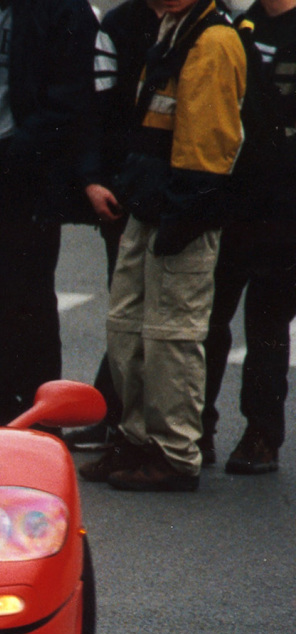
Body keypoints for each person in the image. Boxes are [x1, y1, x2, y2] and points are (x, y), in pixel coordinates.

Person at [80, 0, 246, 491]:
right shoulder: (174, 29)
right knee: (127, 327)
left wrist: (184, 215)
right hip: (150, 205)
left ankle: (174, 454)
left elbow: (210, 146)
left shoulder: (213, 40)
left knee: (173, 336)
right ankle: (135, 439)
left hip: (182, 211)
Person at [0, 0, 97, 427]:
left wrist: (15, 153)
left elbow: (69, 102)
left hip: (25, 182)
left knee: (26, 305)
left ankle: (36, 419)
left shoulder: (65, 11)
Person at [200, 0, 296, 474]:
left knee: (267, 326)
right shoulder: (241, 24)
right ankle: (197, 429)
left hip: (286, 210)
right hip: (236, 203)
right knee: (208, 320)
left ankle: (262, 435)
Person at [64, 0, 163, 453]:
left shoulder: (211, 23)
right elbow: (93, 106)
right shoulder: (120, 24)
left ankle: (173, 422)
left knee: (176, 315)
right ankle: (116, 414)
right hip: (123, 191)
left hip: (182, 189)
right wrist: (92, 178)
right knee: (127, 306)